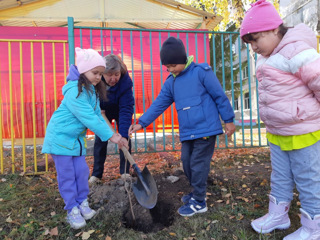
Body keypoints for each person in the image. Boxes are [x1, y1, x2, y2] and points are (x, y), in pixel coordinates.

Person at [129, 36, 236, 217]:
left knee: (198, 165)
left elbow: (219, 95)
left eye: (172, 66)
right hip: (188, 132)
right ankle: (196, 192)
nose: (169, 70)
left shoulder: (201, 72)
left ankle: (200, 202)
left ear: (182, 60)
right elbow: (159, 104)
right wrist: (141, 122)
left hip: (206, 129)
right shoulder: (171, 82)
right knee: (187, 163)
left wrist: (229, 119)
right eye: (167, 67)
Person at [240, 0, 320, 239]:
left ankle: (313, 227)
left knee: (308, 179)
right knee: (280, 176)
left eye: (256, 39)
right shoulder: (267, 55)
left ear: (275, 29)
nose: (253, 47)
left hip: (303, 131)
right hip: (277, 130)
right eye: (250, 42)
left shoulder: (297, 51)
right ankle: (279, 215)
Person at [42, 47, 127, 229]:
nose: (98, 77)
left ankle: (82, 202)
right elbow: (88, 117)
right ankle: (72, 209)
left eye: (100, 74)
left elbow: (97, 115)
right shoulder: (75, 91)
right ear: (82, 71)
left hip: (75, 141)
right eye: (95, 73)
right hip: (60, 139)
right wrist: (110, 137)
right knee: (67, 176)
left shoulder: (92, 92)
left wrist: (115, 133)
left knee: (81, 173)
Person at [88, 54, 134, 184]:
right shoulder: (96, 80)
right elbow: (90, 98)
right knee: (100, 139)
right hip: (102, 111)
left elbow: (126, 108)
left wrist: (123, 135)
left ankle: (125, 172)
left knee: (125, 139)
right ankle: (96, 174)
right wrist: (96, 109)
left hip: (120, 109)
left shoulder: (125, 83)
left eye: (116, 74)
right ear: (103, 73)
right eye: (109, 75)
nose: (113, 78)